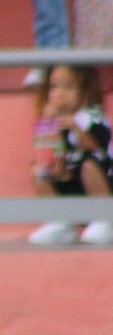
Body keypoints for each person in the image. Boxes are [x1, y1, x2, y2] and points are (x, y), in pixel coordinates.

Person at [27, 63, 113, 245]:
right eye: (54, 87)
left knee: (88, 166)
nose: (59, 94)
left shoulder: (91, 115)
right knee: (38, 170)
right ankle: (59, 221)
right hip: (70, 181)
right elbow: (45, 151)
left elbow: (96, 146)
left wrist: (74, 126)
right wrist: (48, 124)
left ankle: (105, 219)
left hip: (100, 183)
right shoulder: (54, 119)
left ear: (86, 92)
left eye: (68, 87)